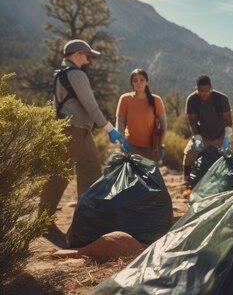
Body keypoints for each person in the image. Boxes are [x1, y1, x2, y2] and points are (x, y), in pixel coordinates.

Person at [40, 39, 128, 240]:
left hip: (62, 129)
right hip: (77, 131)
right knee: (90, 170)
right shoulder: (77, 74)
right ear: (77, 53)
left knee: (58, 175)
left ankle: (42, 222)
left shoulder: (60, 74)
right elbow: (91, 105)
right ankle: (84, 226)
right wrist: (109, 128)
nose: (88, 60)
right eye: (87, 55)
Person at [182, 75, 232, 196]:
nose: (203, 95)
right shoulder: (192, 99)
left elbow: (228, 121)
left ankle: (229, 184)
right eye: (200, 92)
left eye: (206, 92)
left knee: (229, 158)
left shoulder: (222, 99)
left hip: (220, 135)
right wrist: (198, 139)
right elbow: (193, 123)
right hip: (202, 135)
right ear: (196, 89)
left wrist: (226, 139)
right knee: (189, 153)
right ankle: (187, 181)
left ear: (211, 88)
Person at [116, 69, 167, 162]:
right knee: (132, 176)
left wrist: (159, 146)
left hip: (151, 148)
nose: (138, 83)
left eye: (142, 80)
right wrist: (122, 142)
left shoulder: (156, 100)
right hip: (131, 146)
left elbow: (164, 125)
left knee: (149, 176)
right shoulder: (125, 99)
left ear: (147, 82)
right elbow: (120, 122)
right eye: (135, 80)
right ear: (132, 83)